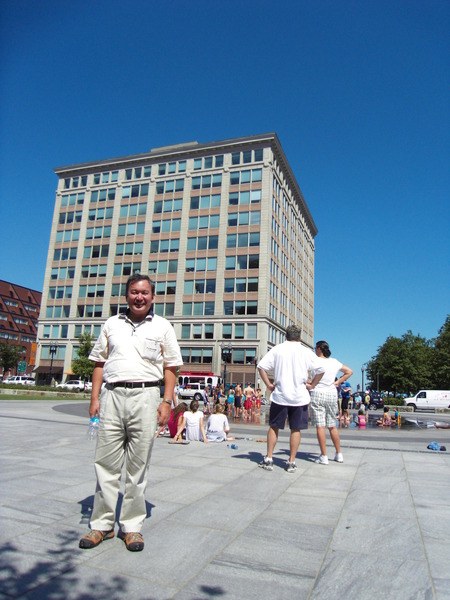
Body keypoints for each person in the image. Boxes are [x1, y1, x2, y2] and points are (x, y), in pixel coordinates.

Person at [79, 274, 182, 552]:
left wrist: (167, 402)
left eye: (145, 293)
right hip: (111, 396)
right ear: (126, 296)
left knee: (138, 468)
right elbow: (99, 362)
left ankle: (132, 527)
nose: (139, 297)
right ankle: (101, 525)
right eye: (134, 292)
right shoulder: (112, 323)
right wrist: (94, 398)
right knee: (105, 464)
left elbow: (171, 367)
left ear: (153, 297)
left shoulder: (163, 326)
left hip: (147, 397)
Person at [257, 325, 325, 473]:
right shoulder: (306, 352)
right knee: (295, 429)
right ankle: (291, 461)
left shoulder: (277, 349)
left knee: (274, 427)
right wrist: (312, 385)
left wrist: (268, 384)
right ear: (300, 337)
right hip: (299, 397)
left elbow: (261, 366)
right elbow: (321, 370)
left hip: (280, 395)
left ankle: (269, 458)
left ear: (285, 336)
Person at [310, 340, 353, 465]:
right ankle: (339, 453)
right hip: (331, 394)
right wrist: (338, 382)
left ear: (319, 349)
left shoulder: (315, 360)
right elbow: (349, 371)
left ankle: (324, 456)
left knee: (320, 426)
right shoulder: (334, 362)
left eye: (315, 348)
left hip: (318, 393)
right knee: (332, 425)